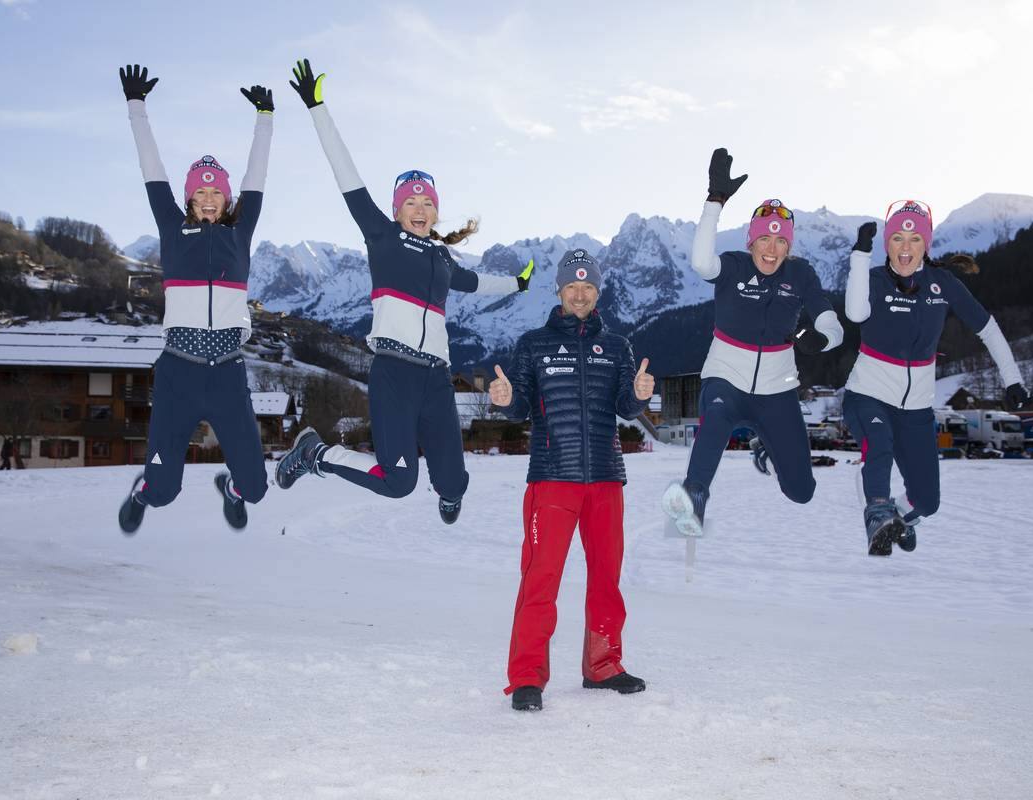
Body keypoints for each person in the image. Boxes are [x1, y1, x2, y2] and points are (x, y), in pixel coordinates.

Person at [274, 59, 534, 523]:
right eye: (410, 202)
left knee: (455, 483)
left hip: (436, 378)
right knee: (399, 482)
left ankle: (448, 488)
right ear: (397, 211)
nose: (419, 208)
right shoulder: (382, 237)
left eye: (427, 203)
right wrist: (317, 108)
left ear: (436, 213)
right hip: (393, 373)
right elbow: (347, 176)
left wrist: (518, 283)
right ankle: (316, 453)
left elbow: (475, 283)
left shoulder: (441, 258)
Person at [489, 249, 654, 712]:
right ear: (559, 292)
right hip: (552, 478)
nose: (579, 295)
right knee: (540, 580)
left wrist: (639, 396)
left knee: (607, 578)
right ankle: (526, 677)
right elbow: (519, 405)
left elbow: (626, 405)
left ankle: (603, 667)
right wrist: (504, 398)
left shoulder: (618, 346)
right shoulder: (533, 344)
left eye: (588, 288)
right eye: (571, 287)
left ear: (597, 292)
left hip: (606, 477)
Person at [115, 64, 274, 535]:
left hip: (226, 371)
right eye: (200, 192)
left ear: (227, 201)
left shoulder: (239, 232)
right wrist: (136, 107)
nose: (208, 198)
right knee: (164, 491)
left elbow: (256, 177)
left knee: (258, 486)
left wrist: (265, 118)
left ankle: (233, 487)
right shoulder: (172, 228)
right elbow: (153, 170)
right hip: (179, 372)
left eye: (216, 193)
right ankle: (144, 491)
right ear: (188, 199)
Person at [662, 148, 844, 538]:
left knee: (802, 492)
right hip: (725, 378)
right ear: (751, 241)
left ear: (789, 247)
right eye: (764, 240)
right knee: (714, 422)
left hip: (778, 391)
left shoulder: (801, 273)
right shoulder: (734, 266)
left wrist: (822, 338)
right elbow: (700, 263)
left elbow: (833, 324)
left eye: (780, 243)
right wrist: (715, 201)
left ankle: (768, 448)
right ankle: (693, 497)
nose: (771, 249)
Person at [842, 202, 1029, 555]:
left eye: (914, 238)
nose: (906, 247)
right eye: (897, 238)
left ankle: (897, 515)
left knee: (927, 502)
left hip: (917, 410)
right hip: (868, 395)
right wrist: (859, 257)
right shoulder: (875, 279)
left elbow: (988, 329)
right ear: (887, 244)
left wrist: (1013, 379)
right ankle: (878, 513)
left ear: (926, 244)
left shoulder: (943, 284)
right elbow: (854, 312)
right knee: (878, 444)